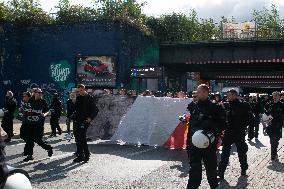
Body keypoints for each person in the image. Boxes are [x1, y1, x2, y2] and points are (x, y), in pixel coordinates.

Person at [187, 84, 226, 189]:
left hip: (208, 143)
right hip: (194, 144)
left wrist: (210, 128)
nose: (197, 93)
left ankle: (214, 186)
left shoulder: (215, 108)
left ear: (205, 92)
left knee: (211, 168)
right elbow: (191, 126)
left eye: (199, 91)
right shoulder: (193, 106)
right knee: (194, 168)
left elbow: (223, 124)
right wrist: (188, 144)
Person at [218, 89, 254, 179]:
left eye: (229, 95)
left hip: (239, 132)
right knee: (225, 152)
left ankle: (244, 168)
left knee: (241, 152)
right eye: (227, 95)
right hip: (228, 132)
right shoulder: (226, 105)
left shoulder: (243, 105)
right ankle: (221, 171)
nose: (227, 97)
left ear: (234, 95)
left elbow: (250, 119)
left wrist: (243, 126)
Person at [23, 88, 53, 162]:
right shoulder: (30, 100)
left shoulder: (43, 102)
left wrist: (44, 114)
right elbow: (25, 107)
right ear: (34, 93)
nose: (40, 94)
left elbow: (47, 111)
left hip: (38, 124)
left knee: (38, 140)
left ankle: (48, 148)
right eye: (38, 92)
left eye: (41, 92)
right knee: (29, 139)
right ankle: (29, 155)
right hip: (30, 123)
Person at [73, 84, 99, 163]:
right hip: (78, 120)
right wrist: (73, 101)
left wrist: (90, 118)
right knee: (77, 137)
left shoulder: (89, 97)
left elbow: (96, 109)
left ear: (84, 89)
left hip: (85, 121)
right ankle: (81, 155)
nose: (80, 92)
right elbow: (74, 109)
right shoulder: (78, 98)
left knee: (82, 137)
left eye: (81, 90)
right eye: (78, 91)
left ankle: (85, 155)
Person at [263, 91, 284, 161]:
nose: (274, 97)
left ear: (279, 97)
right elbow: (265, 115)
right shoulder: (269, 104)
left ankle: (274, 153)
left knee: (276, 141)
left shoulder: (282, 105)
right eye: (273, 96)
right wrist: (265, 123)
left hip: (278, 126)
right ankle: (273, 155)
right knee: (273, 141)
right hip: (270, 126)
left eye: (276, 96)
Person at [19, 92, 32, 156]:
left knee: (28, 138)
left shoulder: (32, 103)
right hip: (24, 122)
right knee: (22, 135)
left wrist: (24, 110)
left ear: (28, 97)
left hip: (30, 123)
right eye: (23, 96)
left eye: (24, 96)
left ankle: (27, 151)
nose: (23, 97)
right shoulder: (23, 102)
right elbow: (21, 110)